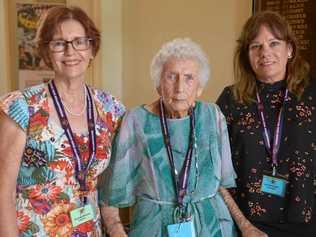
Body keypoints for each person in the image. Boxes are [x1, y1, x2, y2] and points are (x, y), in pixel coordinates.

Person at [99, 38, 266, 237]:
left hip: (211, 227)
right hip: (154, 227)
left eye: (189, 78)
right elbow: (111, 193)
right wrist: (117, 231)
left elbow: (220, 184)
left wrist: (245, 225)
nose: (179, 87)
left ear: (200, 87)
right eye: (171, 76)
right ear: (159, 84)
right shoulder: (136, 120)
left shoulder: (212, 116)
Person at [0, 6, 125, 236]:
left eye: (79, 41)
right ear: (47, 52)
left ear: (91, 49)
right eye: (59, 43)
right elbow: (2, 190)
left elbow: (113, 182)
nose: (70, 51)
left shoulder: (110, 109)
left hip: (90, 229)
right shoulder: (23, 107)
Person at [217, 11, 316, 237]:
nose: (265, 53)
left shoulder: (312, 96)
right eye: (255, 46)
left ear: (289, 49)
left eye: (274, 43)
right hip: (247, 225)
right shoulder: (231, 100)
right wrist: (243, 225)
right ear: (246, 55)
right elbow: (213, 169)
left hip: (307, 224)